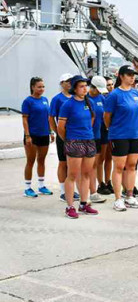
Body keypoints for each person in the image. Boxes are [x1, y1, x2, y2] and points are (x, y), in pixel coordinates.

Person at [57, 76, 98, 218]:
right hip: (74, 141)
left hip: (89, 140)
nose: (85, 88)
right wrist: (69, 140)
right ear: (74, 88)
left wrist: (86, 133)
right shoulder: (68, 105)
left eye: (86, 85)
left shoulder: (90, 102)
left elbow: (91, 120)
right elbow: (60, 127)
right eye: (81, 86)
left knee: (86, 174)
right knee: (72, 175)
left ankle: (83, 204)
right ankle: (69, 207)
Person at [104, 65, 138, 211]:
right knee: (119, 166)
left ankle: (130, 195)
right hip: (119, 135)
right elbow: (107, 117)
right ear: (121, 76)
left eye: (133, 74)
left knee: (132, 166)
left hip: (135, 135)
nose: (132, 77)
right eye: (128, 74)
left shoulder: (136, 93)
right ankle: (117, 198)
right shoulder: (114, 95)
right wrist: (113, 129)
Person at [22, 77, 54, 198]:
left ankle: (41, 186)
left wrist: (50, 131)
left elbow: (48, 117)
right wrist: (27, 135)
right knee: (30, 161)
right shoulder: (28, 101)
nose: (42, 89)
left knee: (41, 160)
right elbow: (24, 119)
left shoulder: (45, 100)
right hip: (32, 135)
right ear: (32, 87)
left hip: (44, 134)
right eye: (39, 87)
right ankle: (27, 188)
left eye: (43, 87)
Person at [49, 73, 76, 201]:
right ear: (61, 83)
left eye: (71, 80)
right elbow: (51, 117)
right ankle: (63, 190)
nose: (70, 82)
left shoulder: (76, 97)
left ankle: (71, 189)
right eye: (67, 81)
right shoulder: (57, 99)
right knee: (63, 162)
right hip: (63, 135)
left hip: (75, 135)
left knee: (73, 164)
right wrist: (57, 132)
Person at [86, 76, 108, 204]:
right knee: (84, 165)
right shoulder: (85, 99)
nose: (99, 92)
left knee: (94, 164)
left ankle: (93, 191)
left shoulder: (101, 98)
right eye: (97, 89)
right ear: (92, 87)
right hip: (86, 136)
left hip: (98, 135)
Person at [96, 77, 115, 195]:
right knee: (101, 158)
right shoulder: (102, 98)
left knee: (109, 157)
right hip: (102, 130)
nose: (110, 87)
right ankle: (100, 182)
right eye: (108, 85)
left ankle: (108, 181)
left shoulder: (114, 97)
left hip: (112, 130)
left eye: (112, 84)